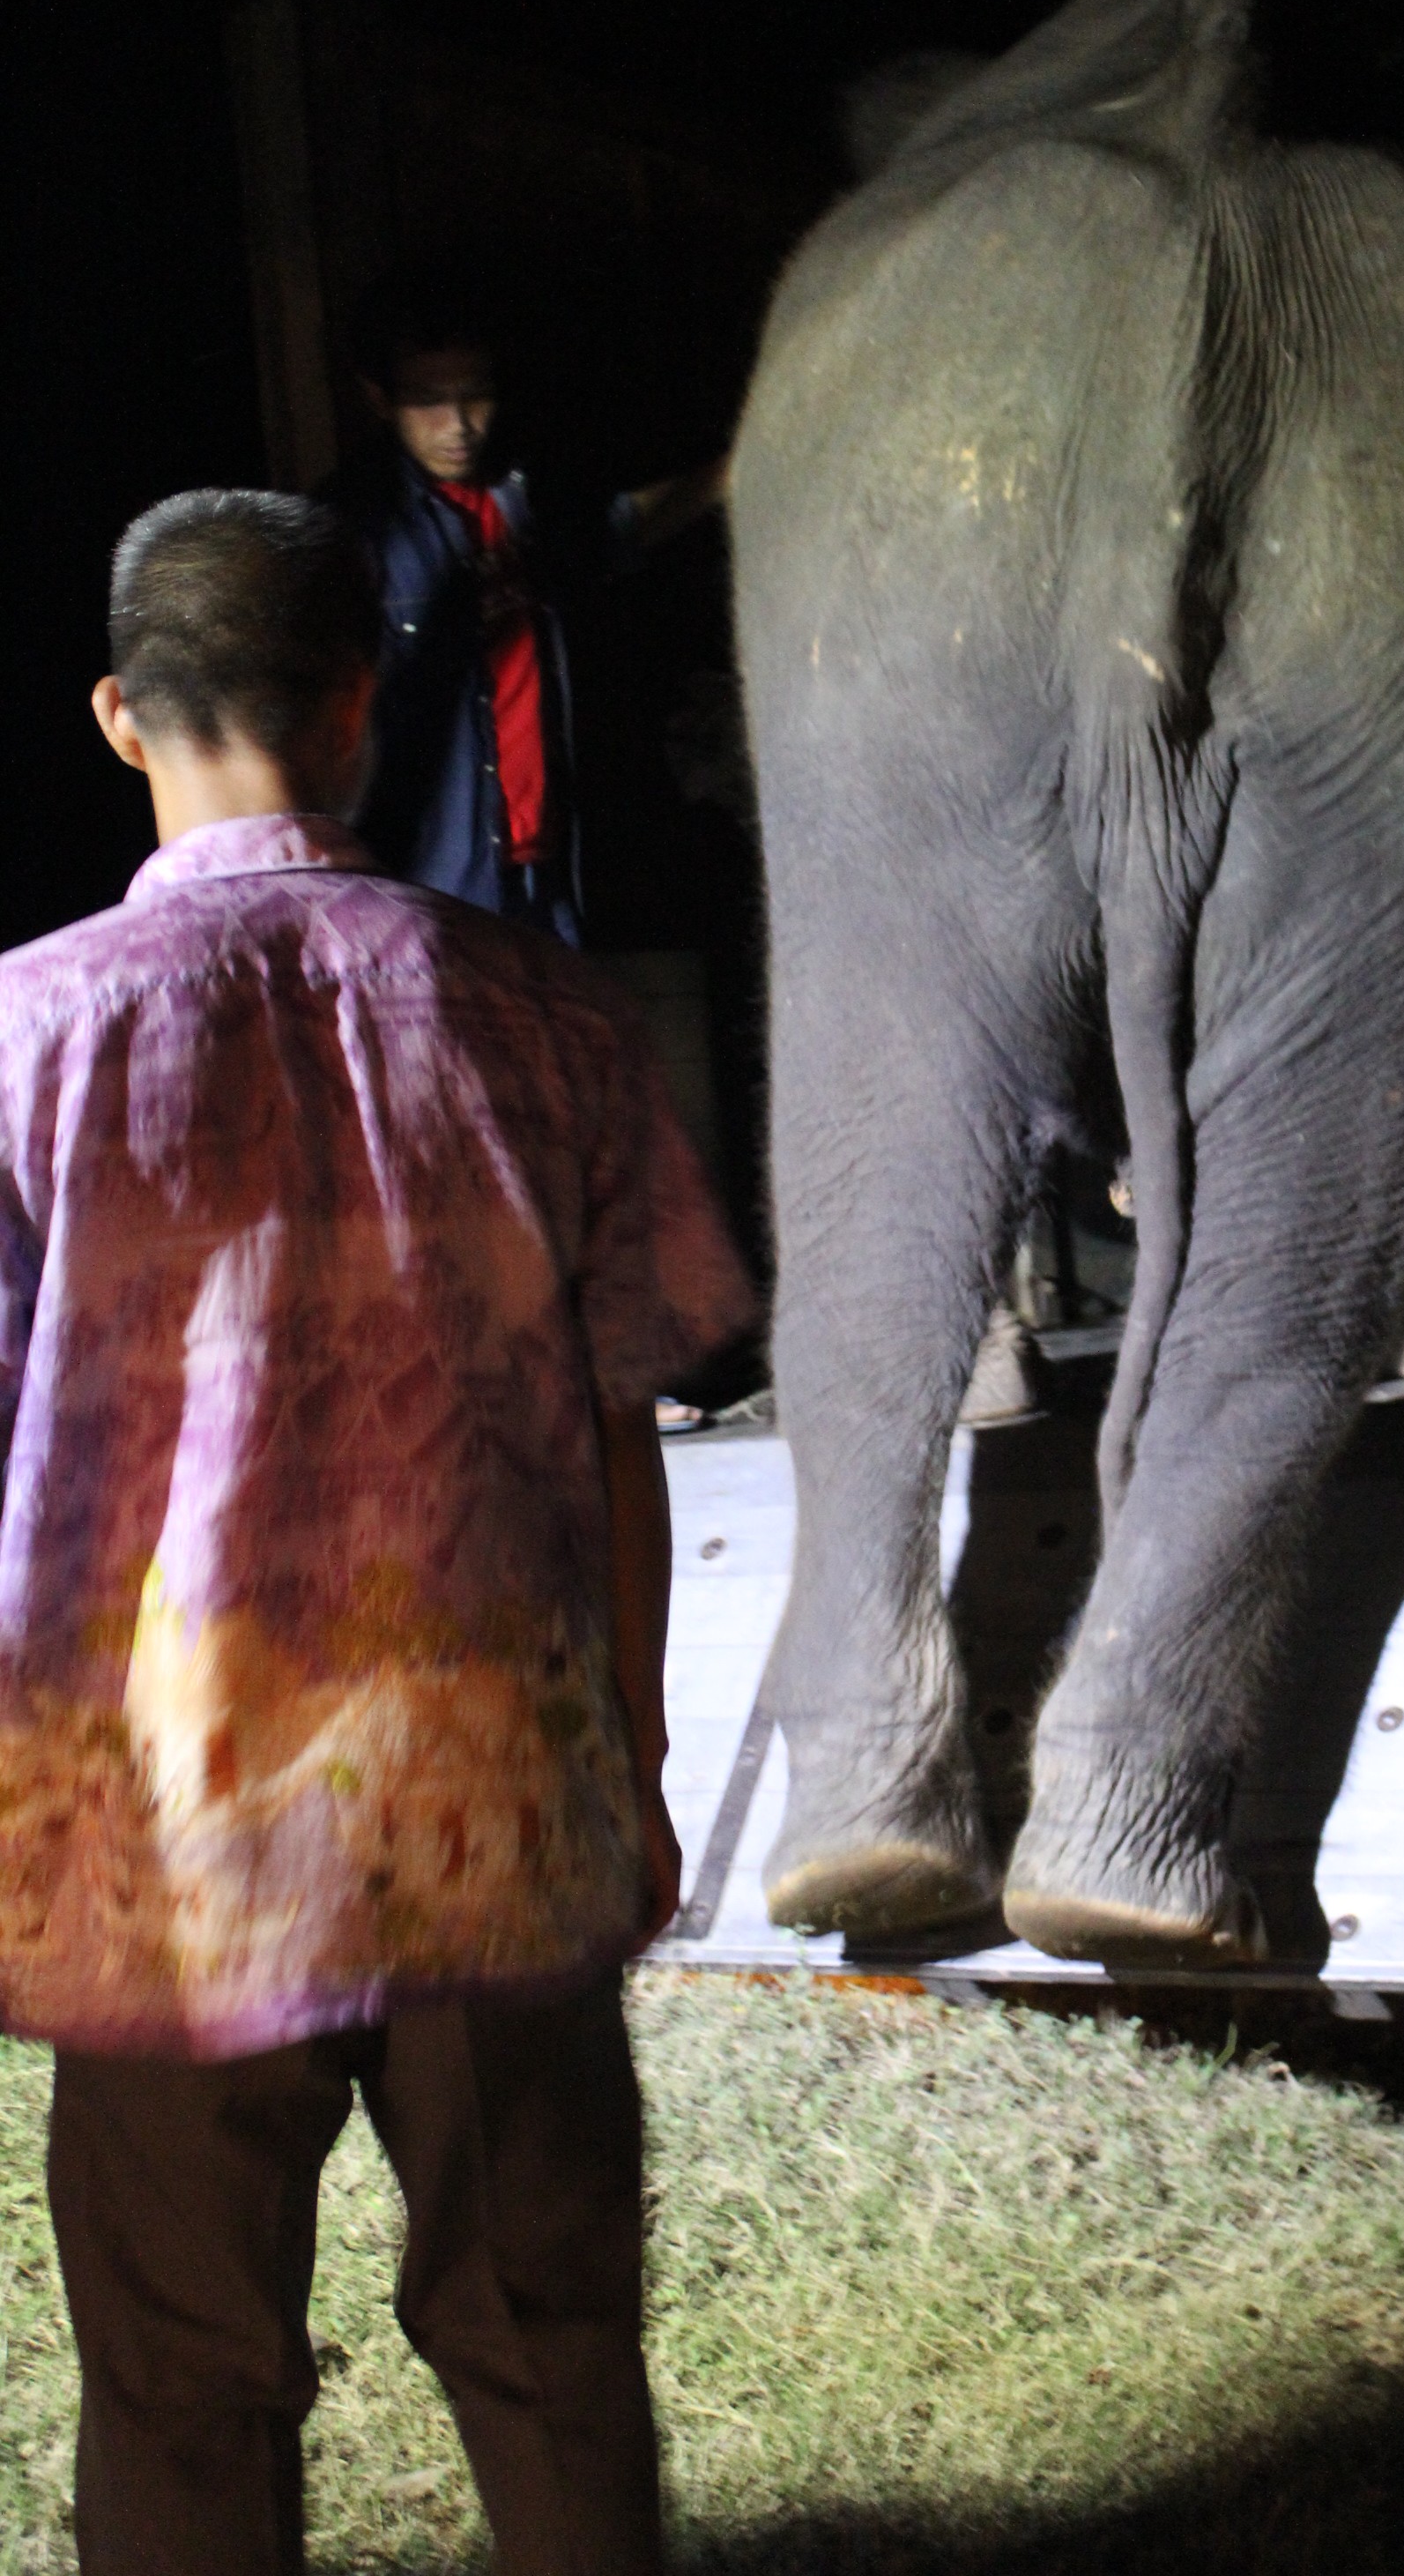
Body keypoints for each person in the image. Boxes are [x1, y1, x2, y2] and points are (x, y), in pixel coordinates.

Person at [0, 488, 754, 2574]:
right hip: (490, 1806)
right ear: (361, 703)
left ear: (119, 717)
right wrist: (631, 1761)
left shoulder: (27, 1034)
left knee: (180, 2377)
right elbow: (620, 1427)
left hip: (157, 1836)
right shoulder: (553, 1018)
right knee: (551, 2344)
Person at [336, 272, 586, 939]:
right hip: (431, 884)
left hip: (543, 869)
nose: (460, 425)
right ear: (379, 398)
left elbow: (615, 530)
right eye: (428, 400)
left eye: (475, 394)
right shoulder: (352, 529)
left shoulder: (524, 497)